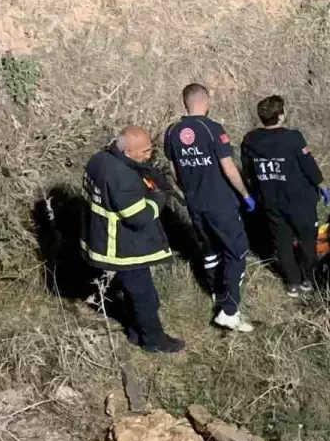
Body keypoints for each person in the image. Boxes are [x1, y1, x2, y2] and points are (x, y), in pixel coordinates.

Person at [162, 83, 255, 332]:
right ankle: (230, 310)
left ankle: (217, 291)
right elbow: (228, 167)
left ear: (185, 103)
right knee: (237, 250)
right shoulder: (212, 129)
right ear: (207, 100)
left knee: (210, 248)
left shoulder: (171, 132)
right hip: (220, 203)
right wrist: (245, 194)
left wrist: (187, 192)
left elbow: (173, 169)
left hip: (195, 203)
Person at [82, 126, 184, 353]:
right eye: (145, 151)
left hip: (101, 236)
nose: (149, 156)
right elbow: (139, 217)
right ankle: (154, 341)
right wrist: (157, 200)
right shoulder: (122, 177)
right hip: (122, 246)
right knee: (145, 296)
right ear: (127, 151)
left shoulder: (99, 160)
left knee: (132, 291)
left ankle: (136, 333)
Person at [240, 94, 330, 297]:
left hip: (270, 200)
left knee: (281, 242)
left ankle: (292, 283)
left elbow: (248, 172)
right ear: (281, 115)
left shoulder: (250, 140)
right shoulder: (292, 137)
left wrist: (254, 193)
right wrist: (322, 185)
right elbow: (308, 165)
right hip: (299, 200)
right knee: (307, 240)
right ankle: (309, 279)